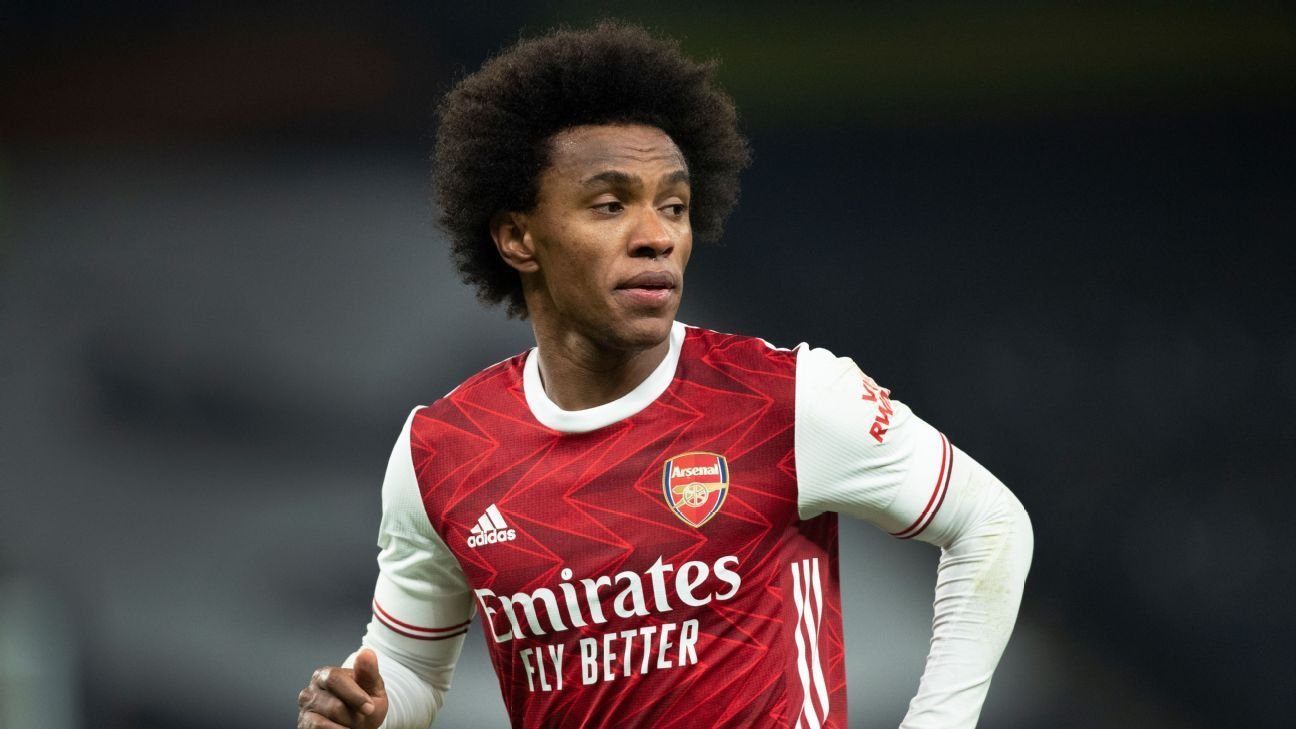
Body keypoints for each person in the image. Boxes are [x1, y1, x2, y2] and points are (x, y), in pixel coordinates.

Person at [296, 21, 1032, 729]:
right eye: (609, 205)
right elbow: (409, 669)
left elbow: (990, 523)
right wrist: (363, 709)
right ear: (518, 236)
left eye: (674, 206)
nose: (657, 237)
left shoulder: (784, 398)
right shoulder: (443, 451)